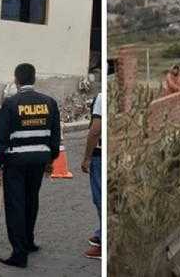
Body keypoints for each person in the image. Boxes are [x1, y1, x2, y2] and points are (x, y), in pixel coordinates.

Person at [0, 63, 61, 268]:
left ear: (16, 80)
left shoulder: (11, 104)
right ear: (34, 79)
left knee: (15, 205)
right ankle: (29, 241)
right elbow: (55, 136)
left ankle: (19, 254)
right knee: (31, 200)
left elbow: (1, 137)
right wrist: (51, 159)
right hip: (39, 160)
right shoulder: (49, 103)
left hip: (15, 162)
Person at [81, 92, 102, 259]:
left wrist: (87, 157)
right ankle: (101, 232)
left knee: (101, 199)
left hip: (100, 155)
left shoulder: (102, 97)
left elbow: (95, 130)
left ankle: (104, 243)